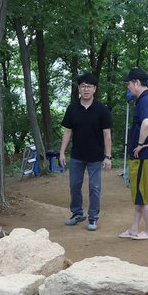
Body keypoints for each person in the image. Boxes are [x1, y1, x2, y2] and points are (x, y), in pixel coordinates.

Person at [58, 73, 113, 230]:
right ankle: (77, 213)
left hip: (96, 156)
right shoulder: (72, 108)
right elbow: (67, 131)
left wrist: (107, 156)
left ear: (94, 89)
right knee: (75, 185)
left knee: (94, 188)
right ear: (79, 89)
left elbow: (107, 134)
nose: (86, 89)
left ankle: (93, 217)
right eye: (83, 86)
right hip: (77, 155)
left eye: (89, 86)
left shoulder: (102, 109)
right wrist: (62, 152)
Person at [120, 67, 148, 240]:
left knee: (144, 196)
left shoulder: (145, 100)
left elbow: (147, 124)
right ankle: (134, 229)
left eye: (129, 83)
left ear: (137, 83)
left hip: (144, 155)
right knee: (139, 196)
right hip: (142, 156)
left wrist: (140, 144)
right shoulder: (147, 99)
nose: (128, 86)